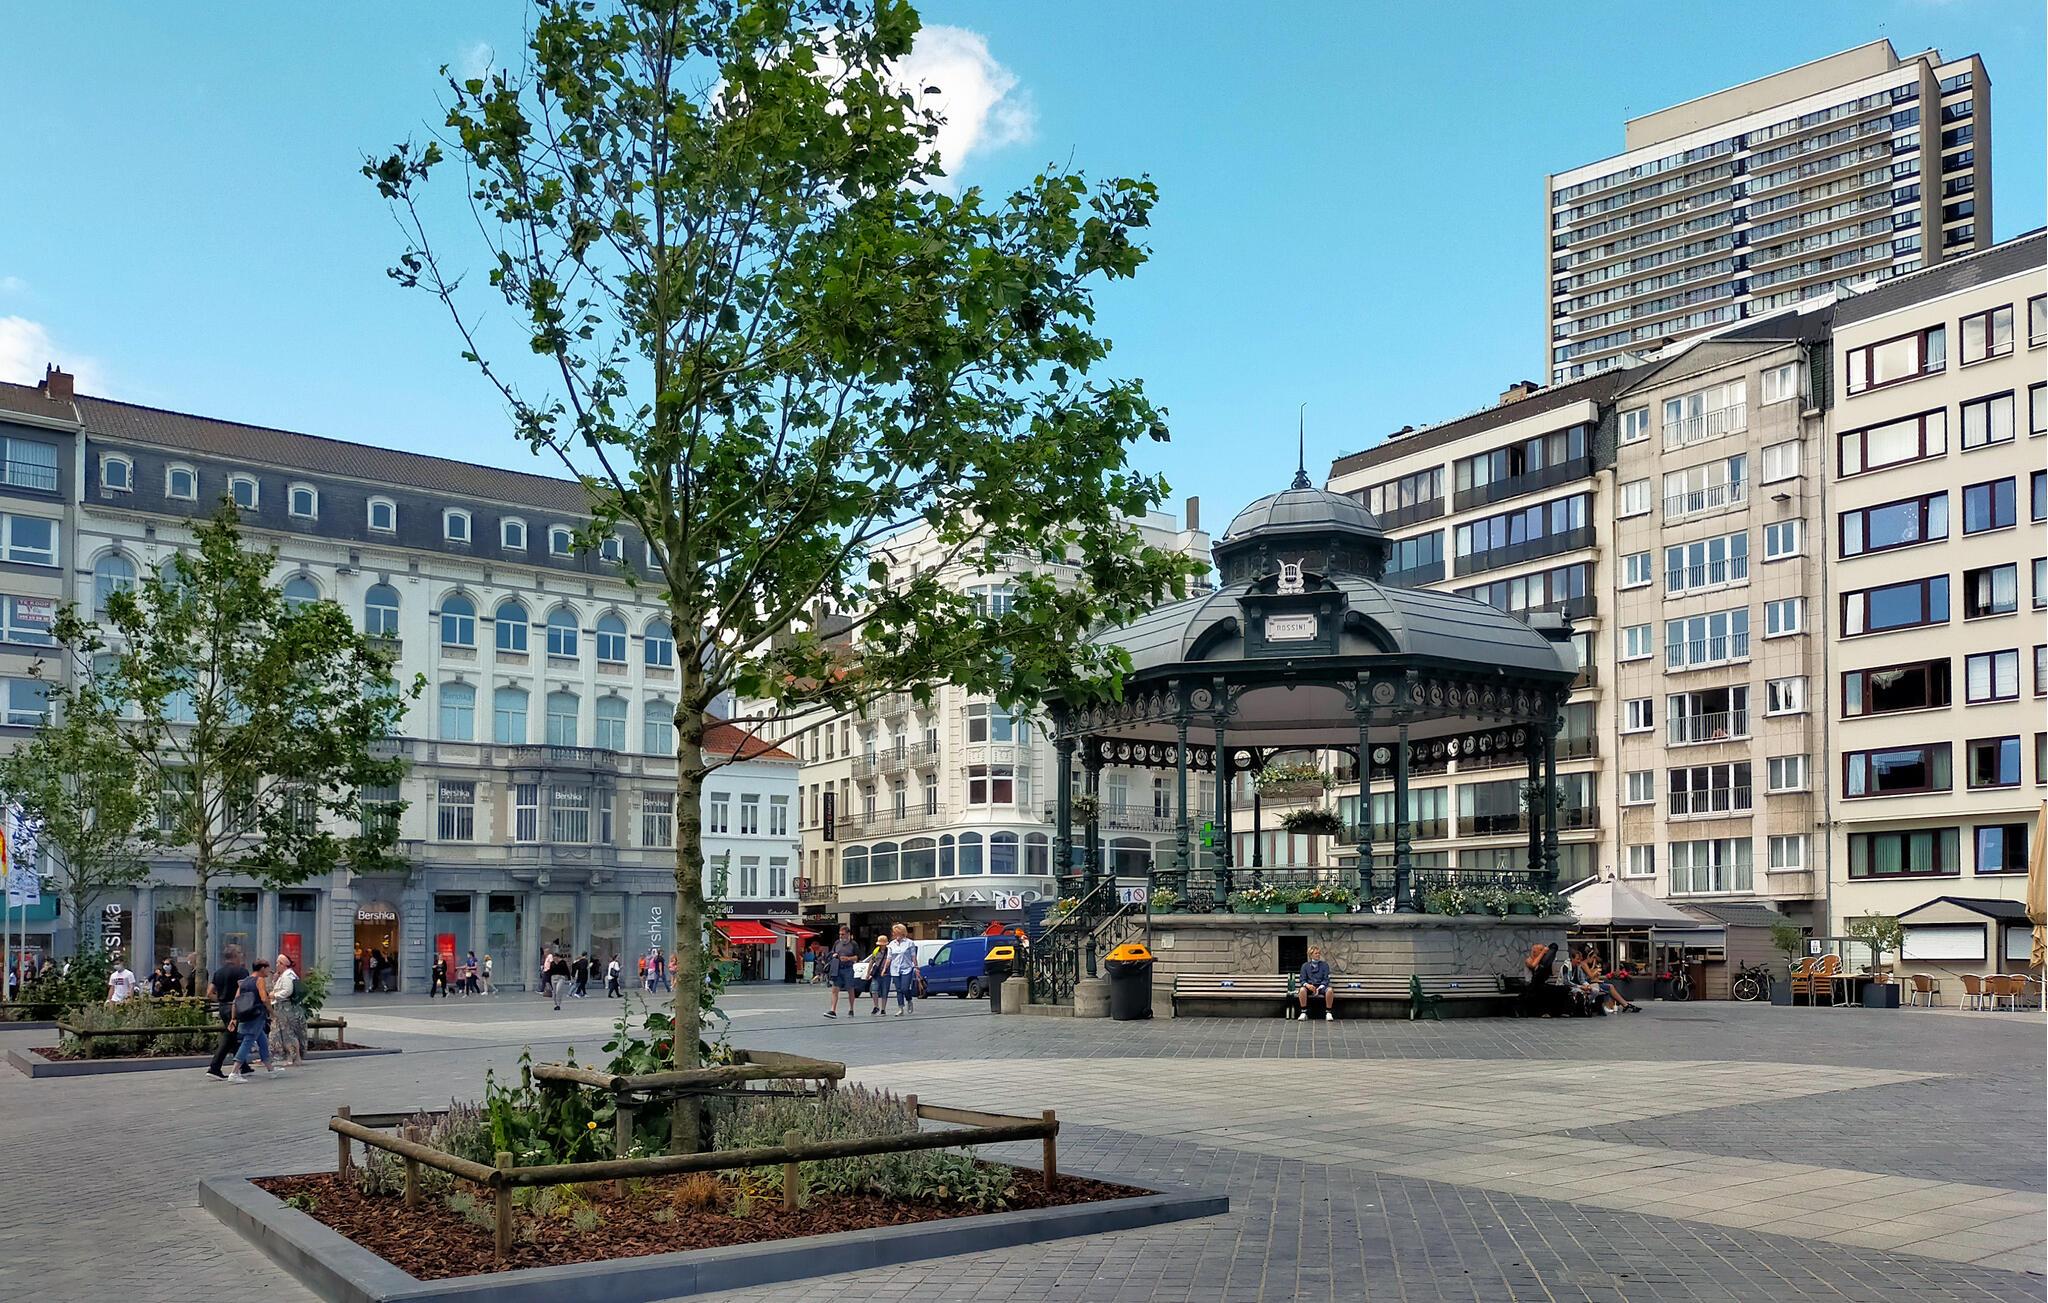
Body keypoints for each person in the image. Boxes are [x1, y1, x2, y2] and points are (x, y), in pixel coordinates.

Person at [204, 945, 251, 1081]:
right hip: (235, 1007)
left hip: (223, 1007)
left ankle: (243, 1066)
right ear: (235, 956)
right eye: (240, 953)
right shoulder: (241, 972)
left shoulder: (218, 972)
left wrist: (221, 1000)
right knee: (230, 1036)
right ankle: (214, 1067)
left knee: (233, 1035)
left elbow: (209, 992)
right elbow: (245, 990)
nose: (241, 956)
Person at [229, 959, 279, 1080]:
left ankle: (270, 1069)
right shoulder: (259, 980)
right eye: (267, 968)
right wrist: (272, 1013)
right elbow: (264, 999)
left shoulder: (244, 982)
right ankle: (234, 1072)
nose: (269, 971)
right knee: (248, 1041)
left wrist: (233, 1018)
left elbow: (235, 1001)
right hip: (257, 1015)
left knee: (263, 1041)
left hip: (245, 1015)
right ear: (262, 968)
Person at [271, 954, 308, 1067]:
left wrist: (275, 995)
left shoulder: (287, 976)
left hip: (286, 1008)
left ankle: (295, 1058)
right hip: (287, 1008)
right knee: (289, 1033)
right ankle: (292, 1058)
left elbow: (287, 991)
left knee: (289, 1033)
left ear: (284, 965)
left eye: (279, 963)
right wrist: (275, 981)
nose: (277, 965)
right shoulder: (288, 974)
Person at [882, 924, 923, 1016]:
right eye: (893, 932)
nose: (893, 934)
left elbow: (913, 956)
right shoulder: (891, 944)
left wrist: (916, 967)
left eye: (895, 932)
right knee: (899, 990)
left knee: (904, 988)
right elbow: (889, 958)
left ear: (901, 932)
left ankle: (909, 1000)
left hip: (906, 968)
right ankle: (900, 1008)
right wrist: (885, 968)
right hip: (895, 969)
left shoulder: (909, 943)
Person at [823, 926, 859, 1018]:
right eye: (840, 934)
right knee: (835, 989)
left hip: (848, 968)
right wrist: (833, 955)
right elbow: (832, 952)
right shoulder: (837, 943)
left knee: (850, 989)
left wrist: (848, 958)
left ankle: (851, 1009)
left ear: (848, 934)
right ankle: (833, 1010)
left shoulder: (853, 944)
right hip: (837, 968)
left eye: (843, 934)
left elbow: (857, 957)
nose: (841, 936)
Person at [1296, 945, 1335, 1021]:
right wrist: (1308, 985)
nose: (1318, 955)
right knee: (1302, 990)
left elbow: (1326, 979)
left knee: (1330, 990)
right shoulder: (1305, 966)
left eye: (1319, 953)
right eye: (1316, 953)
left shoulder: (1324, 965)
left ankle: (1328, 1012)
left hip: (1321, 986)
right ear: (1310, 955)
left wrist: (1319, 988)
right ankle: (1303, 1012)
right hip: (1309, 987)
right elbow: (1302, 980)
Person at [864, 934, 890, 1016]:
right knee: (874, 990)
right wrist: (868, 973)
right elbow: (871, 962)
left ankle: (883, 1009)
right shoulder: (876, 951)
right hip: (877, 973)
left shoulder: (889, 951)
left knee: (884, 991)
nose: (881, 946)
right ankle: (876, 1006)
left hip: (886, 973)